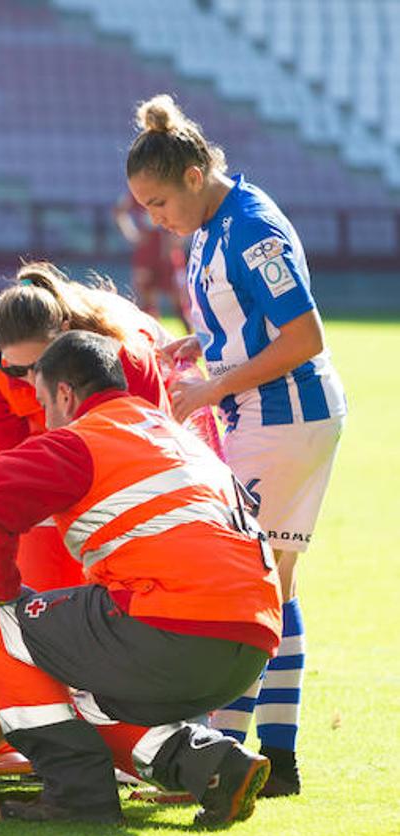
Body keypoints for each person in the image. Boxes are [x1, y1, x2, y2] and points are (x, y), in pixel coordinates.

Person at [0, 330, 280, 826]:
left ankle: (76, 794)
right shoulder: (171, 433)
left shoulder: (84, 440)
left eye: (44, 402)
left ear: (65, 395)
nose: (45, 418)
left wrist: (1, 595)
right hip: (250, 648)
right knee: (76, 678)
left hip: (176, 631)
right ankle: (212, 764)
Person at [126, 95, 345, 797]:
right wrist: (203, 347)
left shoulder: (250, 230)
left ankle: (226, 759)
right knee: (271, 584)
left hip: (283, 420)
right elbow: (249, 326)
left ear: (193, 174)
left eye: (157, 202)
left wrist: (213, 387)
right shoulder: (212, 225)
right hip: (269, 416)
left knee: (242, 586)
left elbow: (304, 338)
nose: (154, 218)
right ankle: (271, 763)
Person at [0, 262, 169, 592]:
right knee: (44, 592)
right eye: (19, 371)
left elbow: (154, 453)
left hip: (129, 460)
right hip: (58, 458)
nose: (33, 382)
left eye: (39, 365)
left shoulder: (124, 354)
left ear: (64, 333)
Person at [113, 192, 189, 324]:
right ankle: (153, 338)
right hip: (147, 254)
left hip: (169, 255)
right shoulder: (139, 191)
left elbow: (189, 213)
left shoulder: (170, 190)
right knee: (147, 298)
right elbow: (120, 211)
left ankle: (193, 336)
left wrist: (180, 237)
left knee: (178, 300)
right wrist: (132, 234)